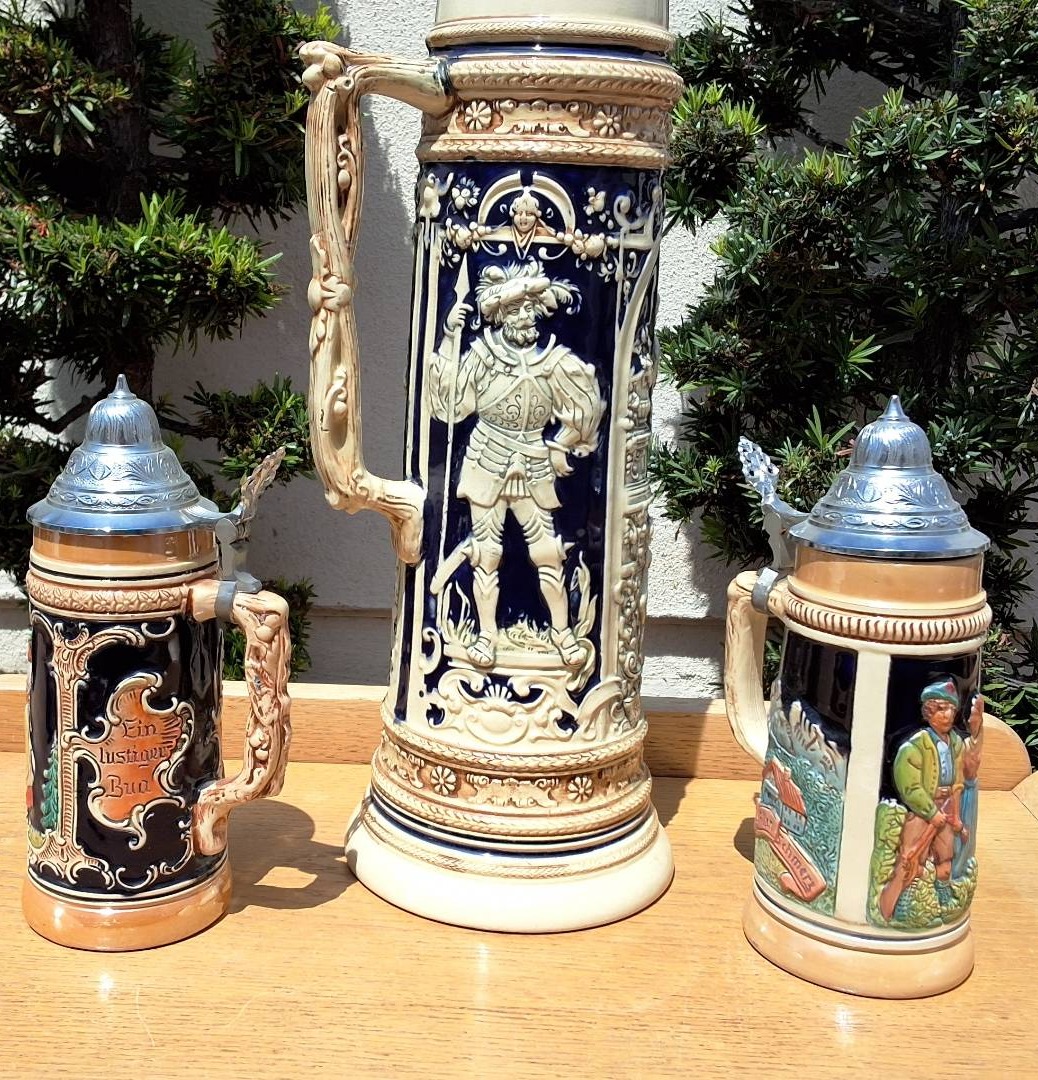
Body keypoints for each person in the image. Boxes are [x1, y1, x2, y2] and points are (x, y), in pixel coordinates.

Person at [428, 259, 603, 669]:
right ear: (501, 315)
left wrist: (560, 444)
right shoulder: (482, 356)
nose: (523, 316)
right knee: (486, 554)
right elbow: (451, 406)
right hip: (486, 458)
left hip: (533, 462)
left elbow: (586, 411)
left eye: (528, 308)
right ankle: (487, 635)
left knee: (547, 552)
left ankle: (561, 633)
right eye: (514, 309)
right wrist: (450, 339)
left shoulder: (554, 362)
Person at [879, 678, 967, 920]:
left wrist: (956, 816)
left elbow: (959, 781)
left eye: (951, 709)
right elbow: (910, 786)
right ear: (928, 713)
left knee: (945, 857)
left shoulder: (956, 744)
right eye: (940, 709)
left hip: (947, 808)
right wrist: (931, 811)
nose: (947, 715)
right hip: (922, 810)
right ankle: (898, 906)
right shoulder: (915, 747)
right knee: (911, 860)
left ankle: (944, 900)